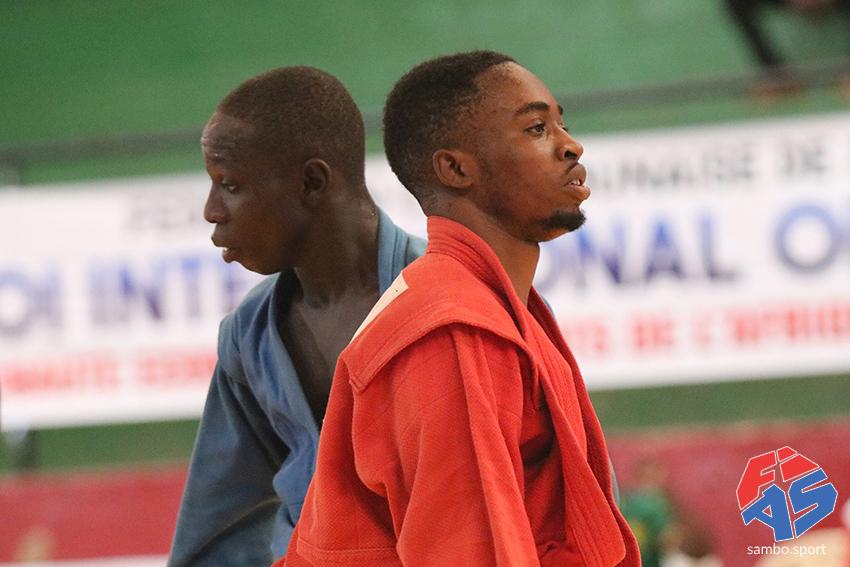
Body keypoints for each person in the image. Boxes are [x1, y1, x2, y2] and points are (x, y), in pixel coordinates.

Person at [280, 51, 640, 566]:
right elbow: (466, 553)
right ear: (455, 169)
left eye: (563, 124)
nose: (570, 145)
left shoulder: (488, 305)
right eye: (537, 128)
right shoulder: (450, 330)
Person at [167, 67, 425, 566]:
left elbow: (540, 473)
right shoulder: (249, 334)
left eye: (229, 185)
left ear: (311, 182)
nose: (212, 210)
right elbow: (218, 525)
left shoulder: (451, 297)